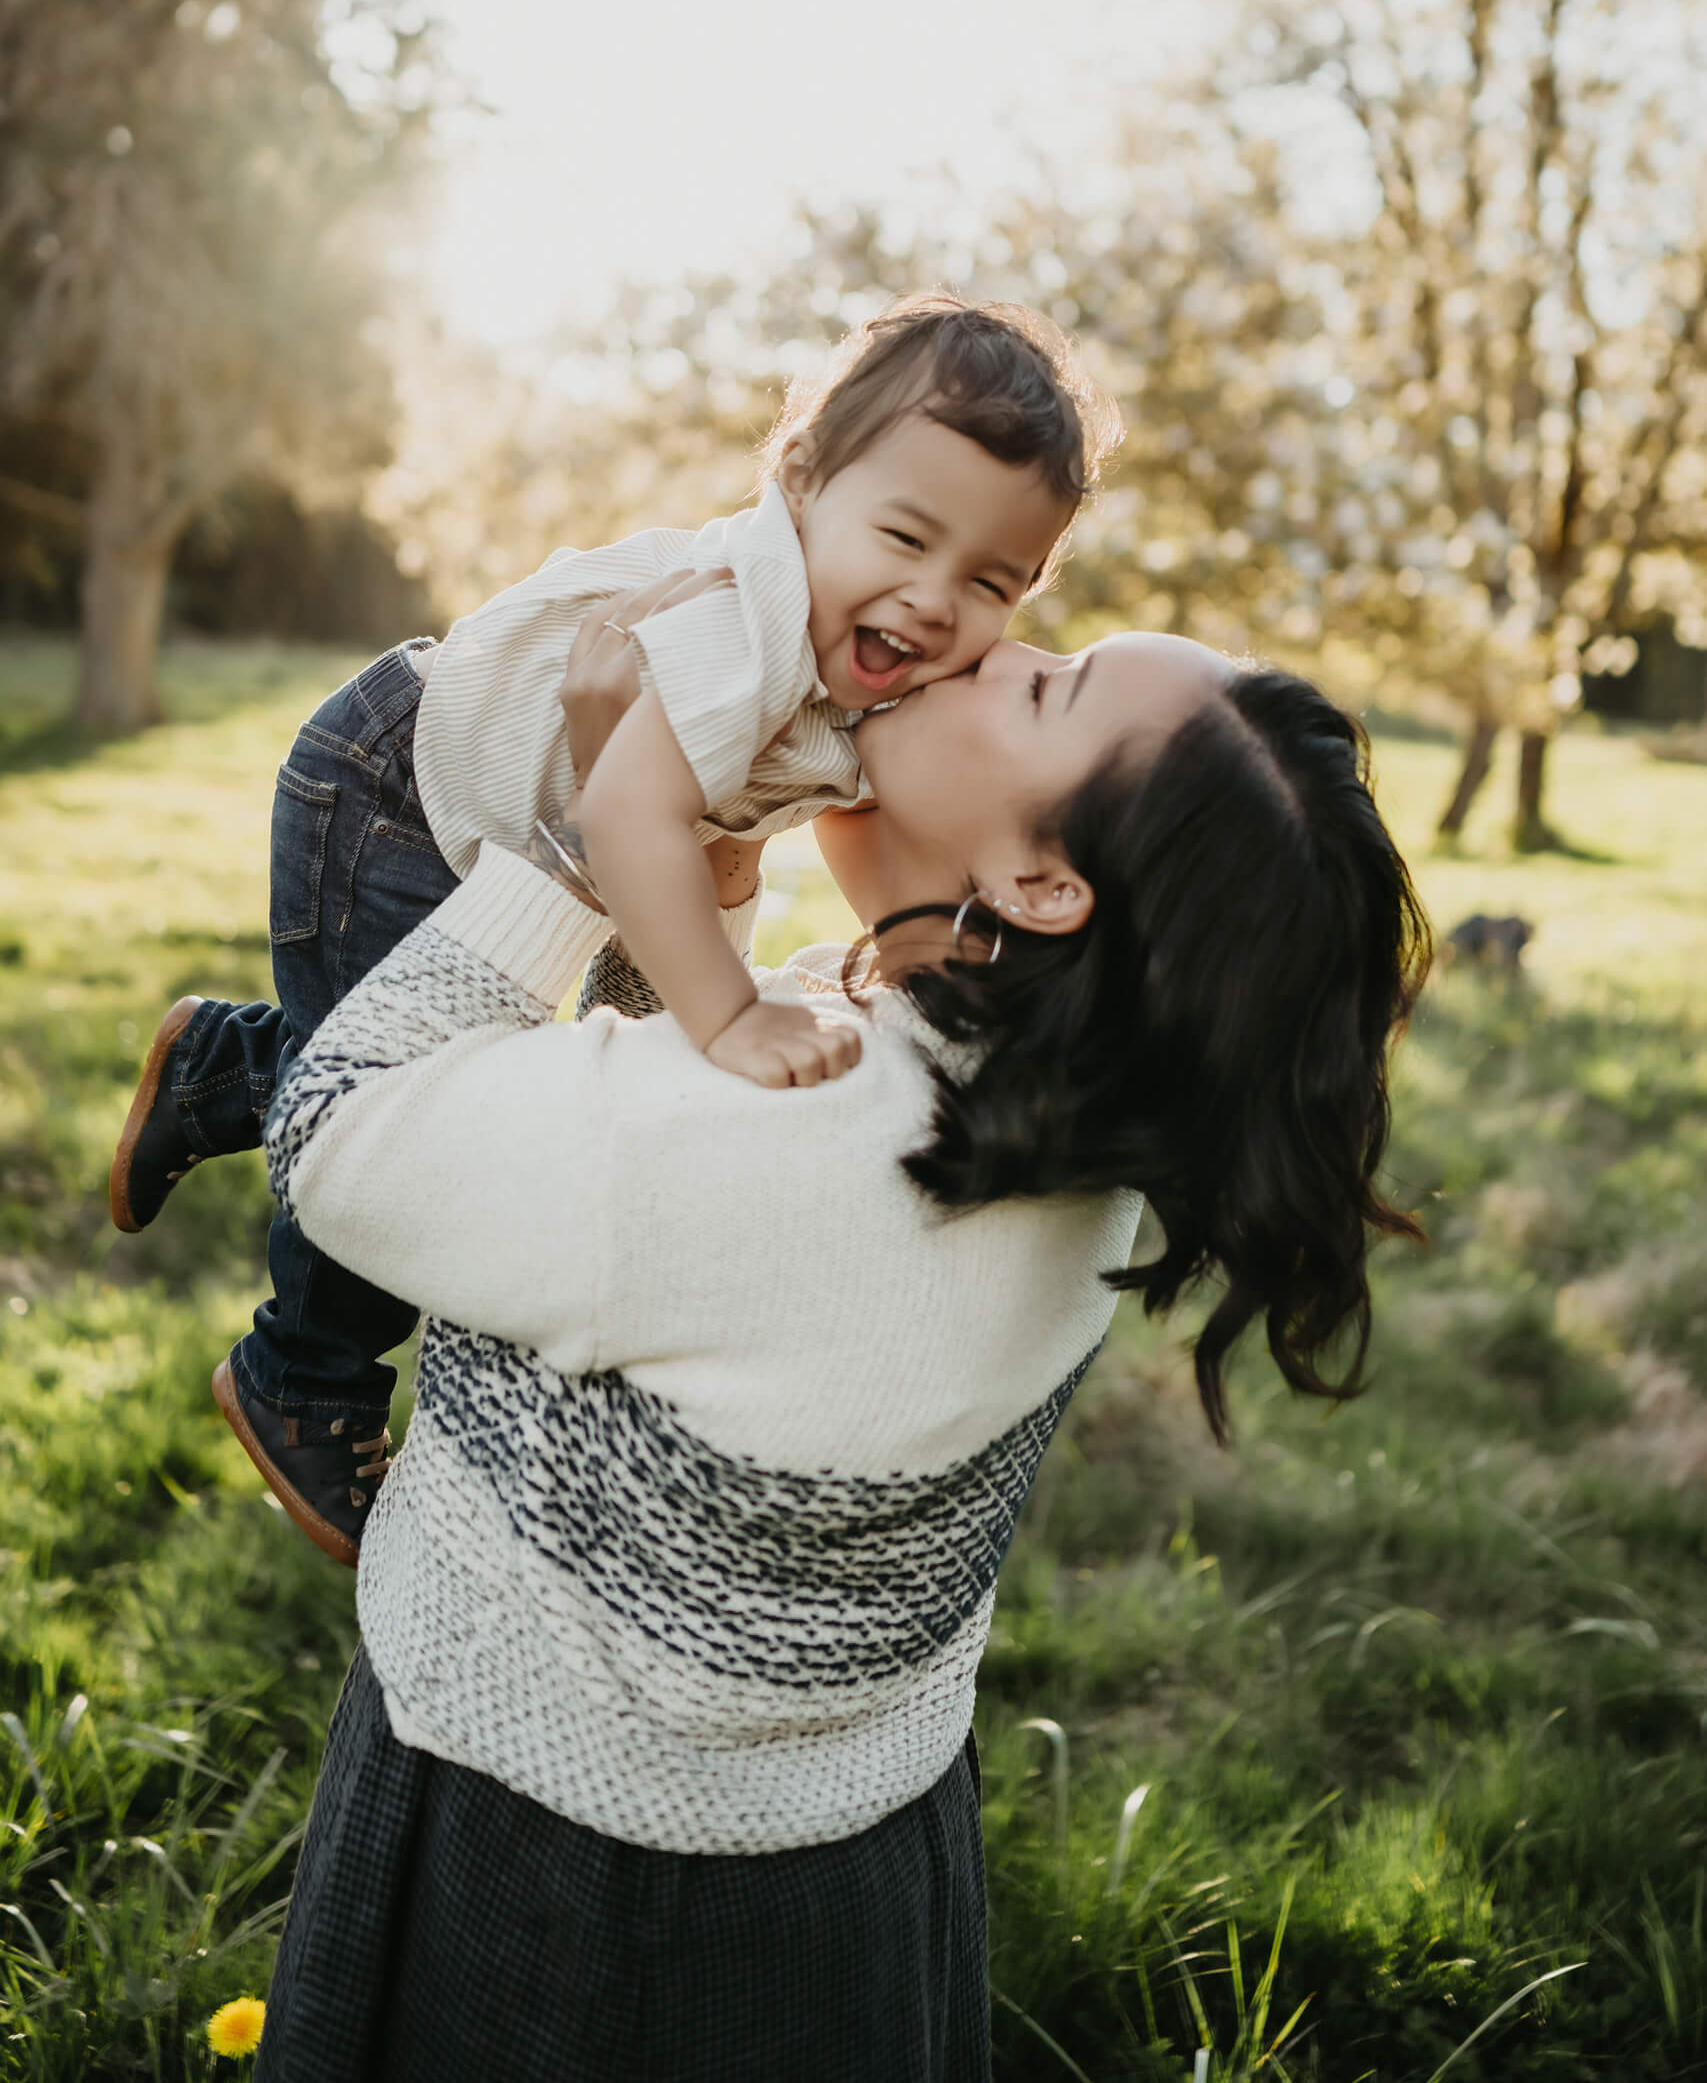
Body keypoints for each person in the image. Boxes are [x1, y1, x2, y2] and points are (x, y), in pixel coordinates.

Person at [248, 590, 1429, 2083]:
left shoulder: (789, 1155)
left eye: (1047, 688)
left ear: (1040, 882)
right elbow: (669, 1213)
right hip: (851, 1863)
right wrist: (683, 883)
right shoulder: (1055, 1146)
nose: (992, 644)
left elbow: (339, 1136)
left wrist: (563, 866)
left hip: (547, 1872)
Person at [107, 296, 1115, 1565]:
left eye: (990, 580)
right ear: (800, 481)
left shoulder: (872, 665)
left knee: (458, 1055)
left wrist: (920, 962)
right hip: (396, 786)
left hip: (481, 814)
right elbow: (633, 810)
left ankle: (226, 1068)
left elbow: (853, 825)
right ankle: (303, 1375)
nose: (931, 601)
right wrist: (730, 1015)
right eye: (905, 536)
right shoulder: (745, 615)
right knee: (402, 1104)